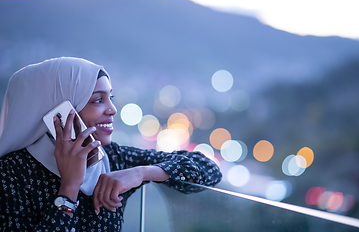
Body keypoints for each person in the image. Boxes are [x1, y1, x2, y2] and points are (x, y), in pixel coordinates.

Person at [0, 57, 222, 231]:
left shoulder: (112, 158)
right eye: (98, 100)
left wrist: (142, 173)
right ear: (58, 109)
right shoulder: (12, 171)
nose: (112, 109)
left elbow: (209, 169)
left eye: (110, 99)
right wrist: (69, 188)